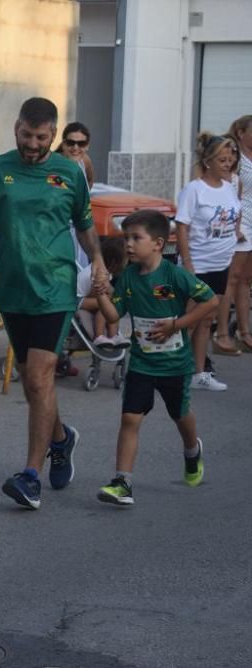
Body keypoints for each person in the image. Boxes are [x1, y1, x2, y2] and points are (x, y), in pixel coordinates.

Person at [0, 97, 107, 510]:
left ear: (52, 135)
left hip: (56, 288)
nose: (32, 144)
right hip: (14, 291)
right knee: (37, 383)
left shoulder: (69, 173)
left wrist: (100, 263)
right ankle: (61, 438)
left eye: (40, 137)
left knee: (38, 379)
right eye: (25, 135)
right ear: (15, 128)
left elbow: (87, 227)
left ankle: (30, 477)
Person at [93, 210, 216, 505]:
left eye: (137, 238)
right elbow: (114, 314)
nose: (129, 244)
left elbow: (209, 300)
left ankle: (191, 450)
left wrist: (177, 324)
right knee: (130, 418)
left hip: (175, 364)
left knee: (179, 415)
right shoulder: (128, 278)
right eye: (126, 238)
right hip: (142, 364)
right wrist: (101, 295)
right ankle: (122, 482)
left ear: (158, 243)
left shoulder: (174, 275)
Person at [175, 132, 241, 391]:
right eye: (223, 160)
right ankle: (173, 371)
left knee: (206, 321)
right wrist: (188, 262)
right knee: (188, 320)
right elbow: (182, 227)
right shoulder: (194, 189)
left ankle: (198, 373)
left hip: (220, 264)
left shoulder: (230, 187)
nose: (228, 164)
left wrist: (235, 234)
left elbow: (234, 215)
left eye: (231, 159)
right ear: (209, 162)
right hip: (198, 264)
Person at [226, 115, 252, 352]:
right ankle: (222, 333)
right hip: (241, 222)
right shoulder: (236, 158)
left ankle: (245, 331)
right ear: (241, 132)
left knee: (246, 280)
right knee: (232, 279)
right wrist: (237, 227)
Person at [78, 236, 130, 350]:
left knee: (112, 304)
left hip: (87, 297)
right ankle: (99, 336)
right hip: (78, 300)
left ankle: (114, 335)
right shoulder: (98, 272)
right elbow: (94, 291)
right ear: (115, 261)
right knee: (106, 306)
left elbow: (110, 290)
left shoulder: (106, 272)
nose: (127, 262)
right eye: (126, 259)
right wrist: (108, 297)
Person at [55, 122, 95, 189]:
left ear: (87, 146)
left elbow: (90, 180)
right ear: (63, 144)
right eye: (70, 143)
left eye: (81, 143)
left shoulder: (85, 160)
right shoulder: (53, 166)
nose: (75, 148)